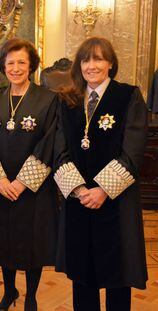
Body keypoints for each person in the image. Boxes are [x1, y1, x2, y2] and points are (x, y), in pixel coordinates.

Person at [54, 37, 148, 311]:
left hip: (116, 202)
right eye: (86, 60)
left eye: (98, 59)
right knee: (82, 275)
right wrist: (80, 191)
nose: (91, 65)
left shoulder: (128, 96)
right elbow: (59, 151)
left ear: (110, 63)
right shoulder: (68, 101)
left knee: (117, 274)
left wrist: (103, 190)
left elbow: (133, 151)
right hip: (79, 201)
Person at [0, 38, 59, 311]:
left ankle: (31, 296)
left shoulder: (48, 100)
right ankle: (9, 292)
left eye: (21, 63)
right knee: (4, 242)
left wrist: (23, 182)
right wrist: (1, 180)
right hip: (1, 186)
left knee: (32, 244)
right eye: (10, 62)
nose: (15, 68)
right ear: (3, 65)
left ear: (32, 66)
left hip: (33, 188)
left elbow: (49, 141)